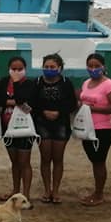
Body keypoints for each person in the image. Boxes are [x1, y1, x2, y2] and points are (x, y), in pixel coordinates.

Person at [30, 53, 77, 204]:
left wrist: (59, 112)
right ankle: (46, 189)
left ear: (60, 68)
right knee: (45, 158)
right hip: (41, 123)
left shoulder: (66, 83)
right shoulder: (37, 82)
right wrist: (43, 111)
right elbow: (31, 103)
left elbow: (72, 104)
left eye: (52, 67)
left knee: (58, 158)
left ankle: (55, 190)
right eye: (46, 67)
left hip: (61, 124)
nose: (49, 69)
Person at [77, 53, 111, 206]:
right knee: (94, 160)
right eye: (90, 66)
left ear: (103, 67)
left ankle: (99, 194)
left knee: (99, 161)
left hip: (102, 129)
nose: (93, 69)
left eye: (97, 66)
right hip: (86, 128)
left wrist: (94, 109)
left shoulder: (109, 85)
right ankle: (97, 192)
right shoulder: (86, 83)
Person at [0, 57, 36, 202]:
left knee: (24, 162)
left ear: (25, 69)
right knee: (15, 162)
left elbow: (23, 99)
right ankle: (15, 190)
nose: (16, 72)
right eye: (13, 69)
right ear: (8, 69)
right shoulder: (3, 82)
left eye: (20, 69)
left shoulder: (29, 84)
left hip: (24, 128)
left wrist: (16, 83)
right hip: (8, 127)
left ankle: (26, 193)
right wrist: (15, 102)